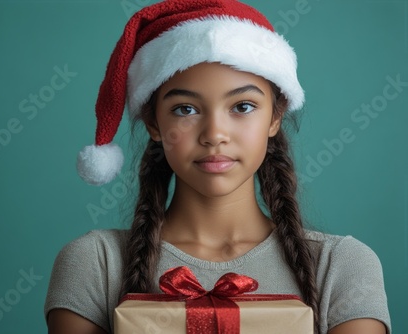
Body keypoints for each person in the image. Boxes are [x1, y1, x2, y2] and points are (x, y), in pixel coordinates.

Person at [44, 1, 391, 333]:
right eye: (185, 109)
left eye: (242, 106)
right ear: (154, 124)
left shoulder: (342, 265)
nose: (214, 135)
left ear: (275, 117)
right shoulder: (95, 263)